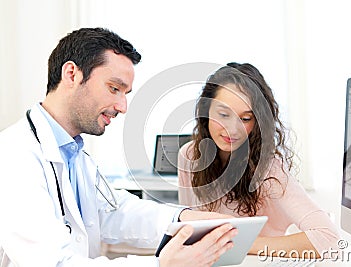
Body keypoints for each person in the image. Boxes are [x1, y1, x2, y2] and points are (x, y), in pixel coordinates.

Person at [0, 28, 238, 267]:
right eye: (114, 88)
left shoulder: (74, 153)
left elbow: (113, 211)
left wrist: (182, 218)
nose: (122, 106)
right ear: (71, 74)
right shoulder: (14, 154)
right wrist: (161, 265)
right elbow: (54, 263)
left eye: (125, 93)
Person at [178, 62, 341, 258]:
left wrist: (236, 243)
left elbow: (329, 238)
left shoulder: (268, 169)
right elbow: (188, 226)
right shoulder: (189, 156)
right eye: (223, 115)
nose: (232, 128)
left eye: (245, 119)